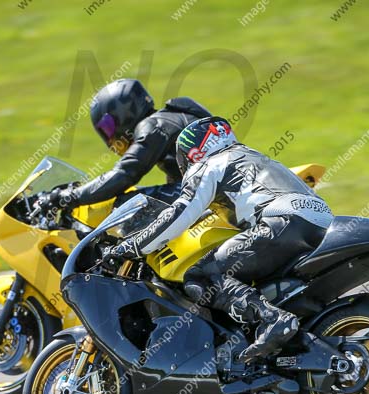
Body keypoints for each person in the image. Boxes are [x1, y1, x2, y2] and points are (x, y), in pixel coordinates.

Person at [105, 117, 334, 363]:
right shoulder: (249, 155)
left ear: (192, 152)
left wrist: (133, 245)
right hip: (323, 222)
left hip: (281, 222)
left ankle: (271, 319)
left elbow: (180, 213)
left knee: (200, 275)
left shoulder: (209, 165)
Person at [38, 78, 211, 212]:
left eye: (108, 127)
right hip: (215, 186)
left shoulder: (154, 126)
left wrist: (68, 197)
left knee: (127, 205)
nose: (110, 137)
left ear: (123, 114)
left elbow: (123, 174)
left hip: (208, 191)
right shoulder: (172, 118)